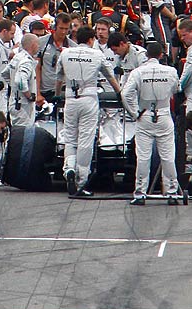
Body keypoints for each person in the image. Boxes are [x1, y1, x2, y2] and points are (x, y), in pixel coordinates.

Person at [58, 25, 122, 198]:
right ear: (91, 40)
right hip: (89, 98)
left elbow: (59, 76)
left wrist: (58, 95)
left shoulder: (65, 53)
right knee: (86, 139)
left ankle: (69, 169)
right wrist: (119, 95)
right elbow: (110, 76)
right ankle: (81, 182)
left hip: (70, 99)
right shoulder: (97, 54)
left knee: (70, 137)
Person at [121, 44, 182, 205]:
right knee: (168, 156)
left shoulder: (138, 72)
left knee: (143, 157)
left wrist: (134, 113)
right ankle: (172, 192)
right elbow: (177, 89)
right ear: (161, 54)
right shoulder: (171, 71)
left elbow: (125, 94)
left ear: (147, 54)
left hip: (145, 115)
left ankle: (140, 193)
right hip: (163, 114)